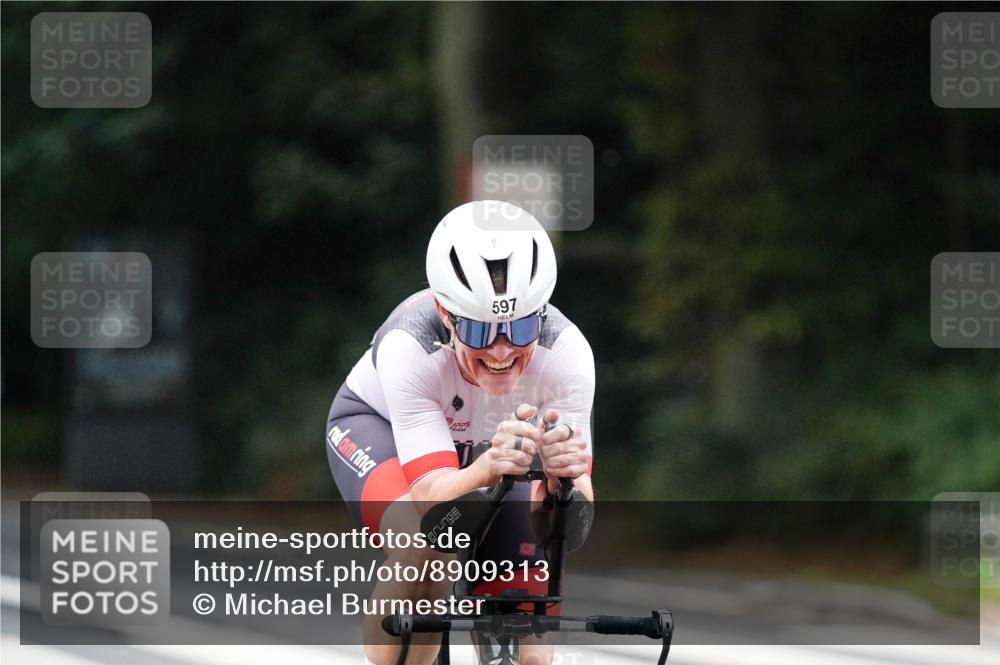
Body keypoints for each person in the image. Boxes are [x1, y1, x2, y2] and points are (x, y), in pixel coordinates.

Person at [325, 200, 595, 665]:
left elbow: (567, 528)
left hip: (493, 451)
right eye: (479, 331)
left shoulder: (567, 355)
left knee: (530, 643)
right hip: (379, 428)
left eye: (521, 327)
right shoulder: (409, 347)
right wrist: (485, 467)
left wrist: (561, 482)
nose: (501, 350)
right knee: (425, 548)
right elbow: (430, 495)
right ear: (447, 316)